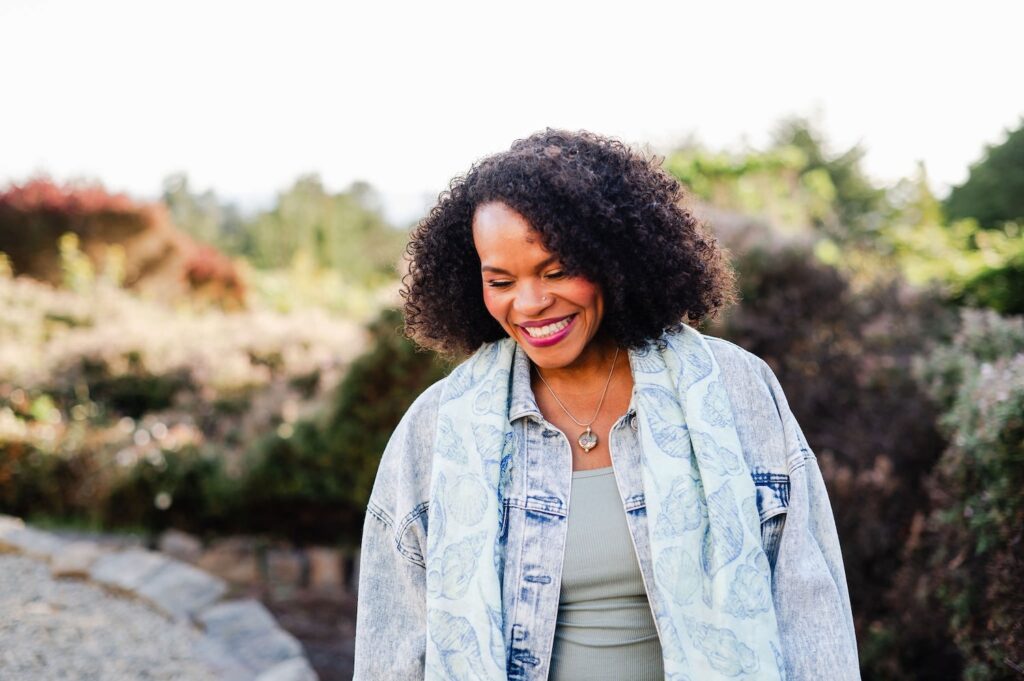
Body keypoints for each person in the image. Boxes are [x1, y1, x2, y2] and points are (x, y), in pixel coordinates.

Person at [353, 129, 860, 680]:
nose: (530, 303)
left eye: (556, 271)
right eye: (500, 280)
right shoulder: (437, 427)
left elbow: (811, 610)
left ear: (614, 260)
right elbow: (396, 646)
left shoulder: (734, 388)